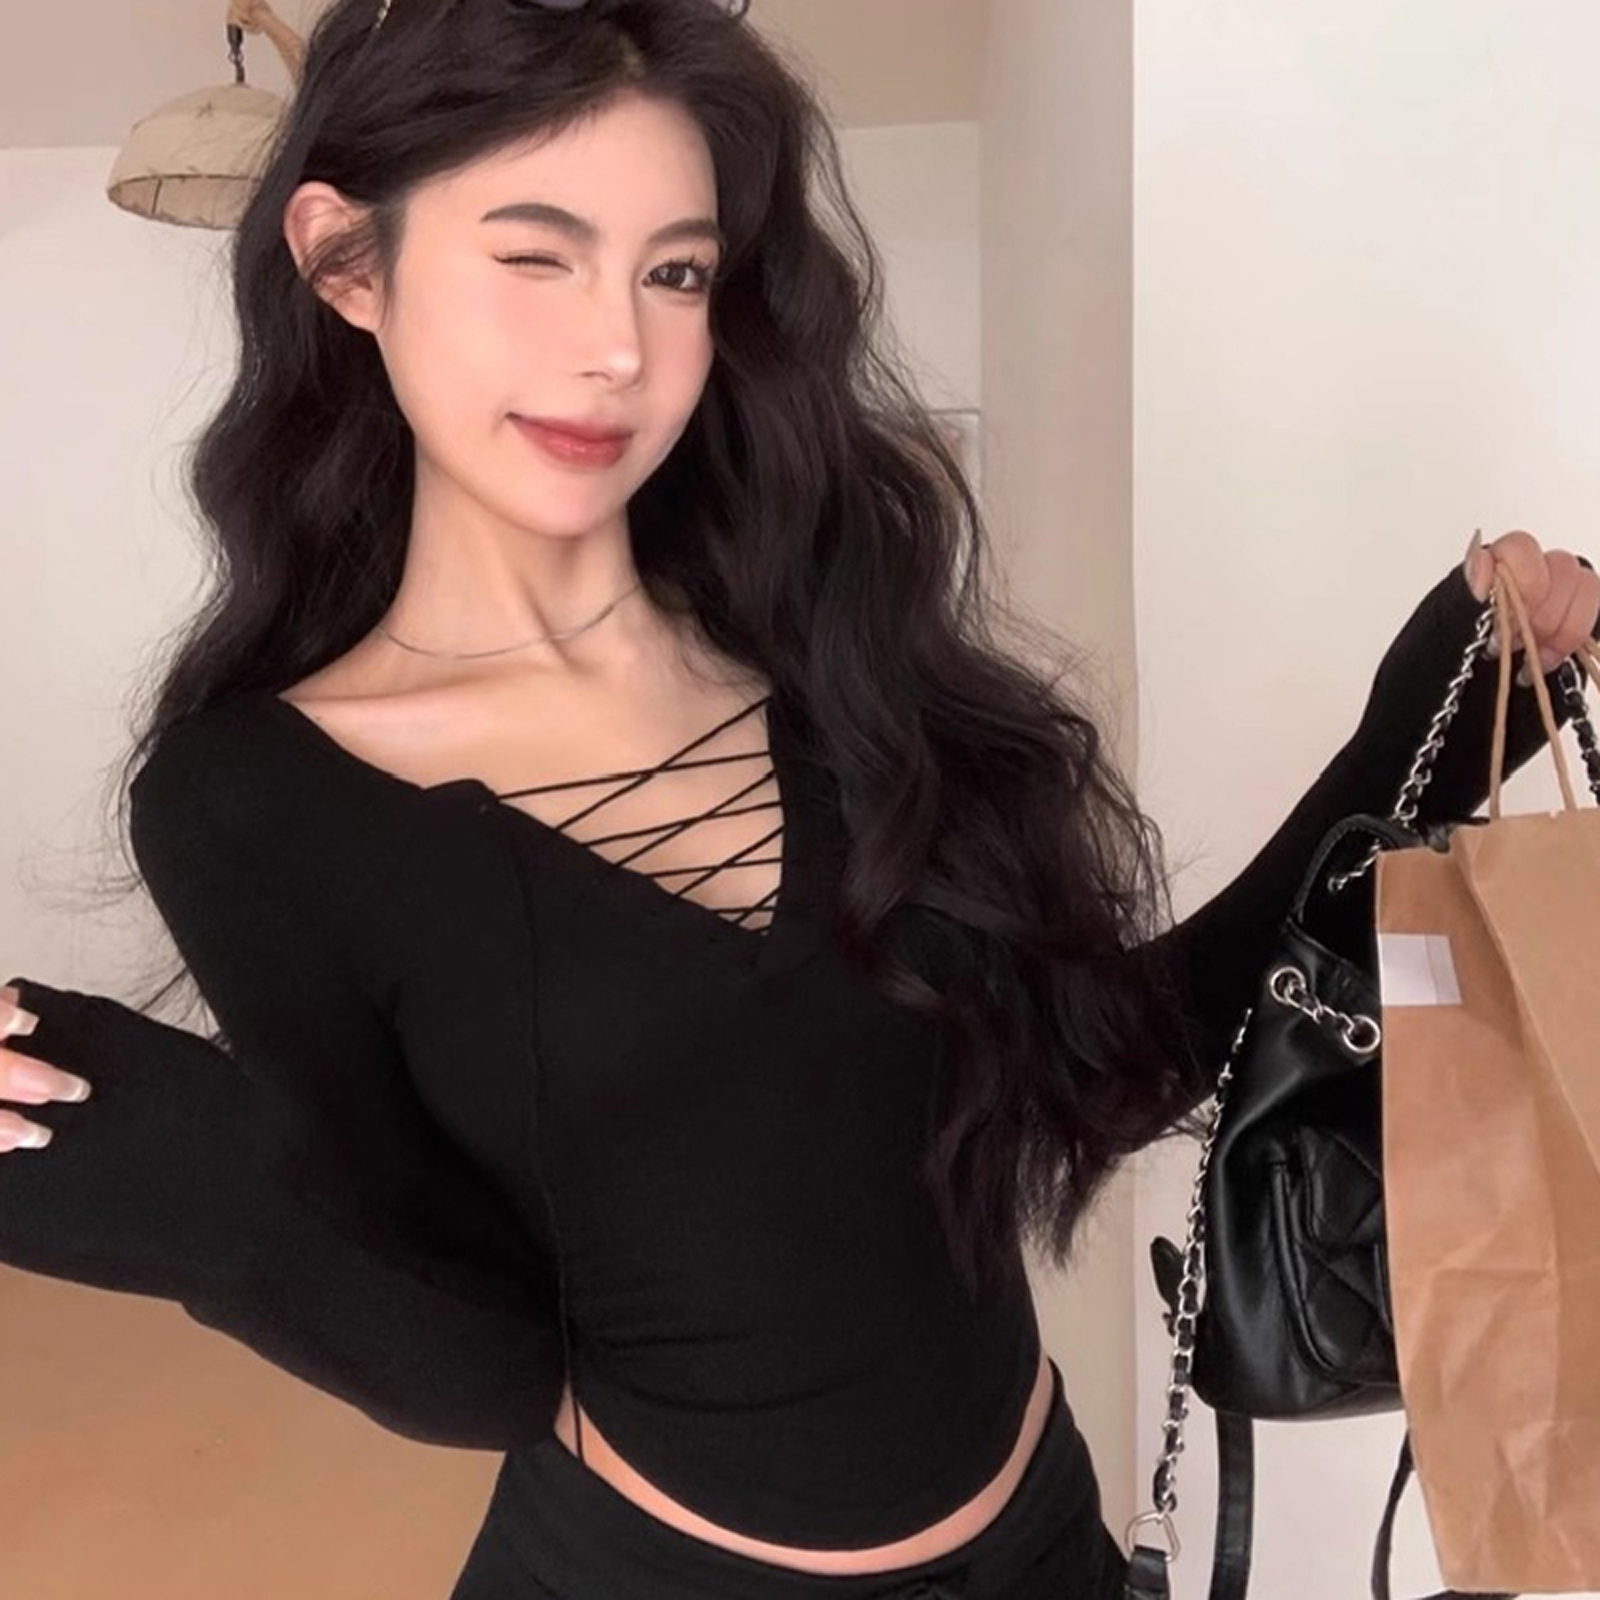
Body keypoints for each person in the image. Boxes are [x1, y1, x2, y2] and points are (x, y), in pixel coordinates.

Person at [2, 0, 1598, 1595]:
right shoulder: (252, 805)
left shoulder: (839, 661)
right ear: (347, 261)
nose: (617, 349)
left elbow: (1110, 1066)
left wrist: (1431, 725)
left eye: (675, 273)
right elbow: (476, 1360)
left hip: (1048, 1547)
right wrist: (184, 1183)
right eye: (537, 255)